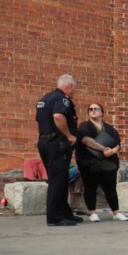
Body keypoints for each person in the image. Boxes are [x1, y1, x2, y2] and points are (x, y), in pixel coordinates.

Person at [35, 74, 82, 227]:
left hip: (45, 142)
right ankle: (55, 217)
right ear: (70, 86)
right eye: (74, 89)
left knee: (61, 179)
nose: (74, 92)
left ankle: (65, 213)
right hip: (57, 144)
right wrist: (69, 136)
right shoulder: (62, 99)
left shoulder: (46, 98)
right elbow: (58, 116)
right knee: (57, 180)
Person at [76, 103, 128, 222]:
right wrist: (104, 149)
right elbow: (86, 141)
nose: (93, 111)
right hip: (89, 162)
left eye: (96, 109)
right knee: (90, 187)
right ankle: (92, 213)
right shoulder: (84, 126)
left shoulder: (110, 128)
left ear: (102, 112)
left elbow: (117, 143)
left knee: (110, 187)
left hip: (108, 162)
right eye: (91, 109)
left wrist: (114, 150)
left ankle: (116, 212)